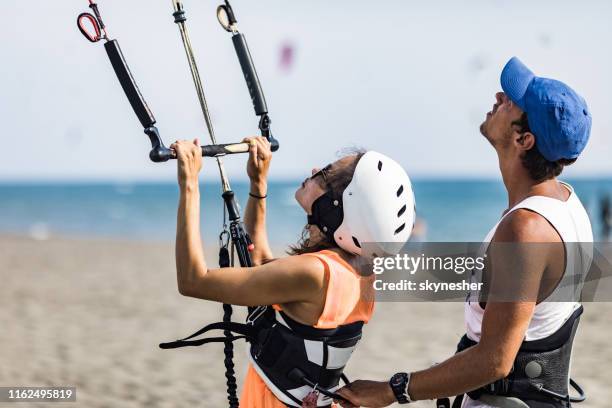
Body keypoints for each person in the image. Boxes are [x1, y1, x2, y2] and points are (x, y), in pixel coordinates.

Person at [336, 57, 593, 408]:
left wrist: (391, 390)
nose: (499, 97)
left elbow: (495, 360)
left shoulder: (526, 229)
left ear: (524, 139)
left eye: (510, 102)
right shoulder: (564, 202)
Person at [167, 137, 416, 407]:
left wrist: (189, 185)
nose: (313, 171)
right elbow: (263, 269)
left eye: (325, 174)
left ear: (339, 206)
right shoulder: (356, 271)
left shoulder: (314, 272)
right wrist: (258, 185)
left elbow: (193, 280)